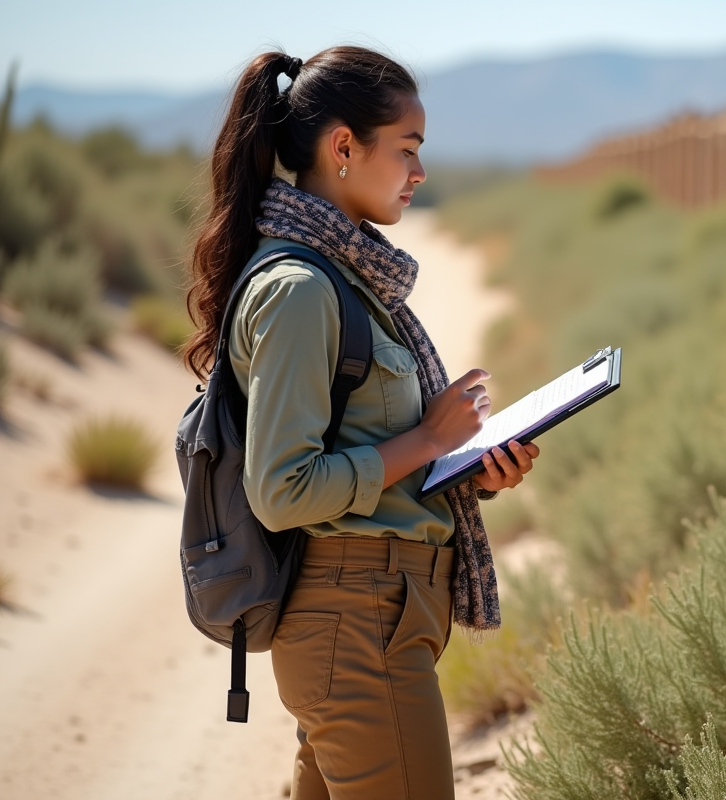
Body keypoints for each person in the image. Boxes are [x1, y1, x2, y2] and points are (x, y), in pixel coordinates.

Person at [183, 46, 536, 800]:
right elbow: (282, 489)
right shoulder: (302, 288)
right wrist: (429, 438)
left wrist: (466, 466)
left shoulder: (346, 276)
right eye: (406, 149)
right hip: (356, 625)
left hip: (376, 622)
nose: (419, 171)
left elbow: (364, 456)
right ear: (343, 146)